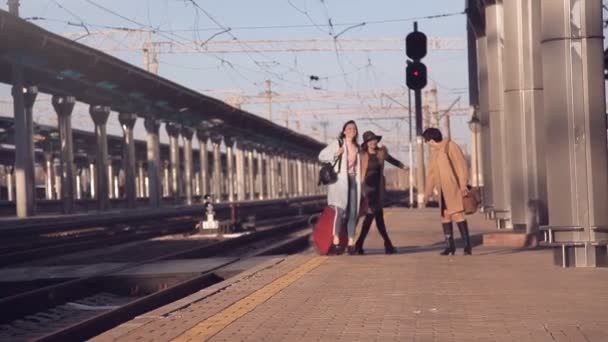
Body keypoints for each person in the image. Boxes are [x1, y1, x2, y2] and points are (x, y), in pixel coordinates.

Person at [422, 127, 472, 255]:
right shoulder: (435, 153)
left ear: (431, 140)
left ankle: (467, 246)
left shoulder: (450, 146)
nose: (427, 144)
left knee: (457, 214)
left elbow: (461, 166)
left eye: (427, 141)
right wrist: (427, 194)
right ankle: (450, 246)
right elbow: (432, 175)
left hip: (454, 188)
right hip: (442, 190)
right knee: (445, 216)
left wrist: (463, 185)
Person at [354, 131, 405, 255]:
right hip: (367, 187)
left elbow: (391, 160)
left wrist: (403, 166)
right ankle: (386, 244)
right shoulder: (361, 155)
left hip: (378, 188)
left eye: (374, 140)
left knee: (376, 217)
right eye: (370, 140)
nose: (373, 142)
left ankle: (360, 245)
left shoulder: (381, 153)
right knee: (375, 216)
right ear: (366, 143)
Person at [318, 120, 361, 255]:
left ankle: (351, 243)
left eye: (354, 129)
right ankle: (336, 241)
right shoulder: (338, 143)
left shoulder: (357, 147)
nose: (351, 131)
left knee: (353, 212)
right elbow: (321, 156)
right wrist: (336, 153)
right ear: (344, 131)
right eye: (349, 128)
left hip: (353, 180)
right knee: (340, 211)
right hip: (340, 181)